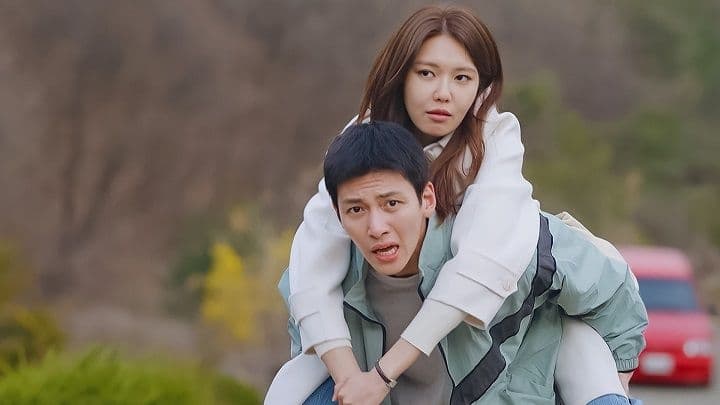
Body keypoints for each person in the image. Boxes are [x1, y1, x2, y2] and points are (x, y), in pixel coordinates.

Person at [282, 4, 636, 405]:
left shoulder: (496, 143)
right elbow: (310, 269)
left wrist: (381, 376)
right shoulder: (361, 141)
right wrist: (351, 381)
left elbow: (477, 272)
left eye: (462, 77)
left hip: (534, 327)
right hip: (407, 346)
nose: (443, 93)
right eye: (426, 73)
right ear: (401, 75)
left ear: (482, 86)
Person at [270, 121, 647, 404]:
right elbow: (305, 347)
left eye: (392, 204)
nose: (376, 227)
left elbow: (613, 289)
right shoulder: (326, 283)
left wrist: (614, 380)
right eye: (356, 210)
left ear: (426, 199)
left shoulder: (499, 241)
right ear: (337, 215)